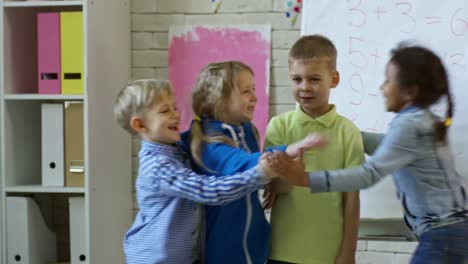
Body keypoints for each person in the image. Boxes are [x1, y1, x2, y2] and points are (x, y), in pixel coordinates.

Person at [267, 45, 468, 264]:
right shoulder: (424, 120)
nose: (382, 88)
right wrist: (342, 133)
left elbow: (368, 174)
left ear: (410, 91)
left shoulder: (408, 124)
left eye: (388, 81)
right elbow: (389, 147)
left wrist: (305, 179)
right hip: (457, 231)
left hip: (440, 235)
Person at [114, 78, 281, 264]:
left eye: (174, 107)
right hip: (155, 259)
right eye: (164, 111)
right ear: (140, 125)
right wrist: (260, 174)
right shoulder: (158, 167)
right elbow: (207, 190)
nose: (175, 115)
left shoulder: (178, 151)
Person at [182, 61, 326, 264]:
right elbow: (243, 162)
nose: (255, 97)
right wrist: (289, 150)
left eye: (254, 89)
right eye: (245, 91)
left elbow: (257, 179)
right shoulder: (208, 141)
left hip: (255, 242)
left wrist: (281, 178)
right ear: (219, 100)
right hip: (224, 248)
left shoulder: (247, 129)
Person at [263, 34, 363, 264]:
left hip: (328, 253)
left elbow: (352, 199)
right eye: (297, 79)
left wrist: (348, 253)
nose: (305, 87)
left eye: (314, 79)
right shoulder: (279, 126)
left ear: (334, 79)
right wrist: (287, 174)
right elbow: (272, 187)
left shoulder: (349, 133)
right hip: (281, 250)